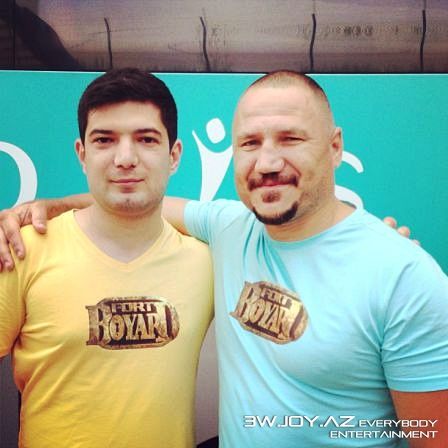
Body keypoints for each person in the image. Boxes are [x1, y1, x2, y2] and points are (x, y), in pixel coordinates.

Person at [1, 70, 447, 447]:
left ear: (335, 147)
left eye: (290, 138)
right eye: (250, 143)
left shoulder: (402, 275)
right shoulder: (229, 230)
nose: (267, 162)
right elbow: (137, 199)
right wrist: (48, 206)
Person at [0, 68, 214, 448]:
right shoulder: (21, 249)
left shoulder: (207, 264)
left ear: (174, 155)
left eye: (146, 139)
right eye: (104, 140)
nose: (125, 158)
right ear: (82, 154)